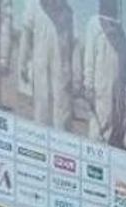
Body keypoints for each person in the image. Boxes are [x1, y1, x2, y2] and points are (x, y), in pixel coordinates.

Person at [20, 0, 75, 130]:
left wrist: (73, 75)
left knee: (62, 117)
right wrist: (22, 63)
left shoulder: (67, 12)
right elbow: (26, 35)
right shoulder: (34, 6)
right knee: (41, 113)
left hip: (62, 72)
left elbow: (72, 45)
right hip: (41, 70)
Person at [82, 0, 126, 149]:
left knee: (115, 136)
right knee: (98, 133)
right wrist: (88, 85)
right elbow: (89, 58)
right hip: (100, 92)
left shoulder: (122, 33)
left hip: (118, 98)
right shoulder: (94, 24)